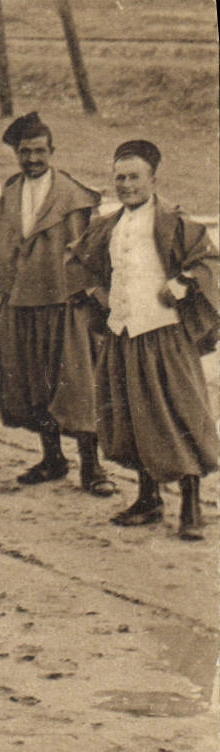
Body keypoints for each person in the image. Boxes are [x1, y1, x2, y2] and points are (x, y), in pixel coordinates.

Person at [70, 139, 219, 540]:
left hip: (164, 335)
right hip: (123, 334)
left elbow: (208, 261)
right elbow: (82, 263)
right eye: (119, 177)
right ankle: (148, 499)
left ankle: (190, 508)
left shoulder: (174, 221)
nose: (126, 185)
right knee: (132, 417)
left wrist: (181, 284)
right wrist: (99, 297)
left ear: (153, 178)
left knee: (177, 414)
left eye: (134, 177)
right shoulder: (110, 225)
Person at [0, 112, 111, 494]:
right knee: (31, 384)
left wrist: (91, 301)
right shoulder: (8, 197)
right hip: (20, 304)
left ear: (52, 152)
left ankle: (93, 467)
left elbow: (95, 254)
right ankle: (53, 459)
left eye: (39, 151)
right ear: (17, 154)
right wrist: (4, 292)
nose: (32, 159)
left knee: (77, 387)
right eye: (25, 152)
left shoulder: (74, 197)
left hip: (64, 305)